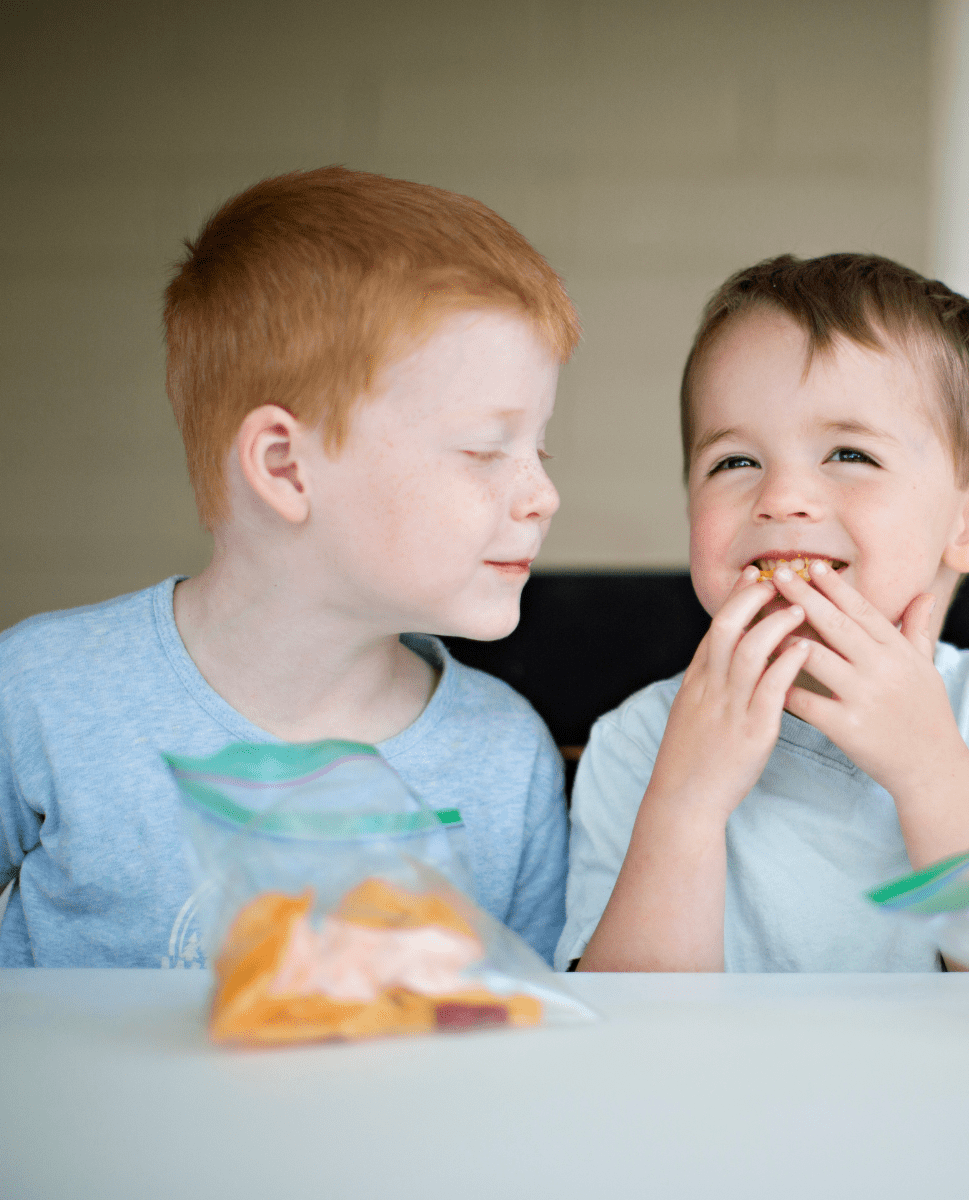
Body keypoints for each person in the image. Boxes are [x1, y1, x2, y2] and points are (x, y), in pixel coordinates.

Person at [0, 167, 580, 968]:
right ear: (285, 467)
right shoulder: (39, 695)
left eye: (539, 448)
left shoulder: (505, 755)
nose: (543, 495)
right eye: (485, 449)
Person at [557, 253, 969, 973]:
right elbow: (626, 1039)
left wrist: (929, 768)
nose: (780, 498)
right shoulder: (639, 742)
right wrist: (685, 807)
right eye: (734, 462)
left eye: (848, 453)